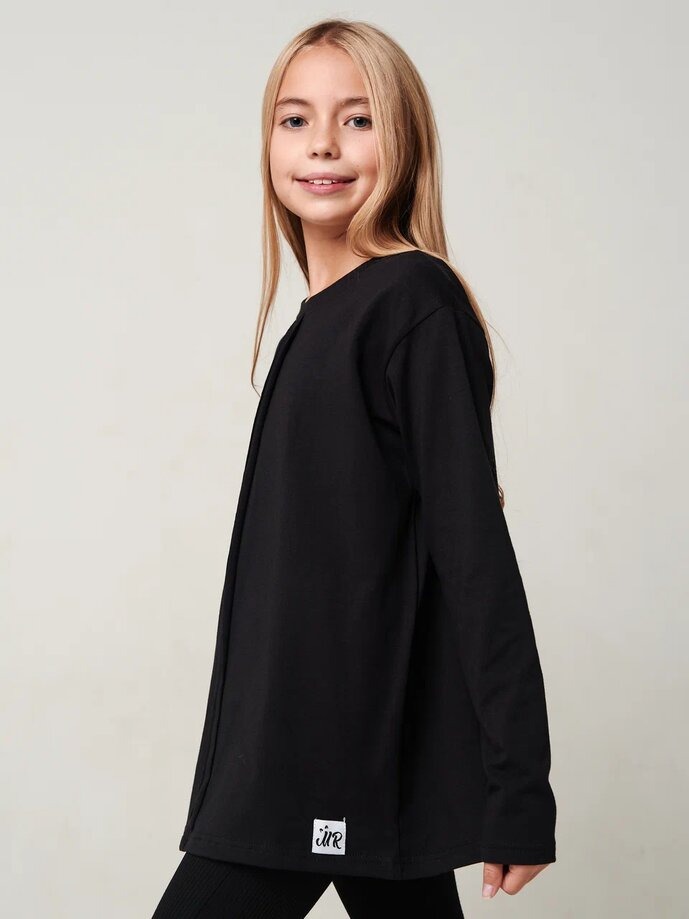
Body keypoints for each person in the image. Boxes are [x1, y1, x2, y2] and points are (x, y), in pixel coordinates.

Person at [152, 17, 556, 919]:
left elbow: (473, 555)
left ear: (403, 139)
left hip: (323, 760)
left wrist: (518, 785)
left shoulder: (411, 304)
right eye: (294, 119)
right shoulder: (314, 326)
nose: (323, 144)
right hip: (305, 750)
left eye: (358, 118)